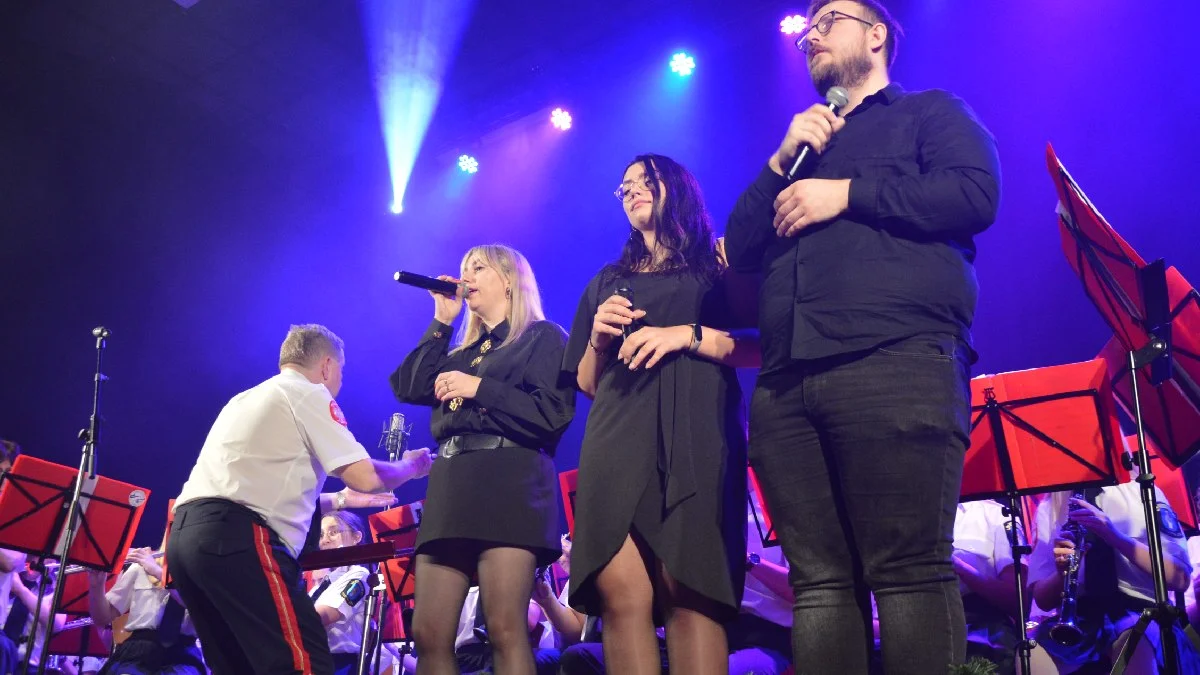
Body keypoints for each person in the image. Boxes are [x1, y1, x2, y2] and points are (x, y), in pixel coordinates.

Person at [722, 0, 1001, 671]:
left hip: (894, 359)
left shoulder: (929, 112)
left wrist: (847, 193)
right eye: (806, 29)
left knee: (907, 571)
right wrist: (779, 160)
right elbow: (740, 246)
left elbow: (974, 194)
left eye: (829, 20)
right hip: (788, 383)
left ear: (876, 35)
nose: (811, 35)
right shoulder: (801, 148)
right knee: (819, 585)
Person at [562, 153, 758, 675]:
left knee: (689, 591)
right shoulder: (608, 279)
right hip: (616, 439)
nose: (631, 191)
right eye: (623, 186)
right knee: (620, 594)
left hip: (696, 434)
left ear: (677, 187)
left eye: (644, 181)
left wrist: (685, 336)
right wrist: (598, 338)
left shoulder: (717, 262)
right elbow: (587, 383)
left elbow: (761, 346)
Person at [168, 323, 433, 675]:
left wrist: (340, 500)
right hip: (237, 538)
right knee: (303, 662)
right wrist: (412, 466)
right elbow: (366, 477)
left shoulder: (245, 398)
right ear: (326, 366)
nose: (340, 382)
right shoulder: (308, 393)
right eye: (341, 371)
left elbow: (255, 486)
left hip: (185, 540)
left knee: (238, 666)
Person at [391, 244, 575, 675]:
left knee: (505, 628)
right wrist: (442, 320)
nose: (466, 276)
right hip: (452, 486)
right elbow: (409, 385)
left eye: (478, 267)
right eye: (463, 268)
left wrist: (479, 389)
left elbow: (552, 415)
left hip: (509, 484)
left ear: (509, 280)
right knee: (429, 633)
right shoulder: (461, 353)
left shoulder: (543, 337)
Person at [1030, 484, 1199, 673]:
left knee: (1135, 640)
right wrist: (1062, 573)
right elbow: (1042, 600)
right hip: (1082, 618)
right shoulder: (1052, 504)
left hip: (1145, 611)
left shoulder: (1143, 490)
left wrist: (1113, 536)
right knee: (1029, 653)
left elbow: (1180, 579)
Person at [86, 545, 205, 675]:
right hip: (137, 650)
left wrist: (157, 571)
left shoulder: (204, 571)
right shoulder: (140, 565)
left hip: (183, 655)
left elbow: (195, 605)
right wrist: (96, 585)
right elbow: (102, 618)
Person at [310, 511, 373, 675]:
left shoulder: (359, 575)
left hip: (341, 664)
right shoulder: (321, 585)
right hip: (316, 661)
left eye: (333, 532)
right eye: (321, 535)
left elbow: (322, 616)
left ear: (356, 537)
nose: (325, 540)